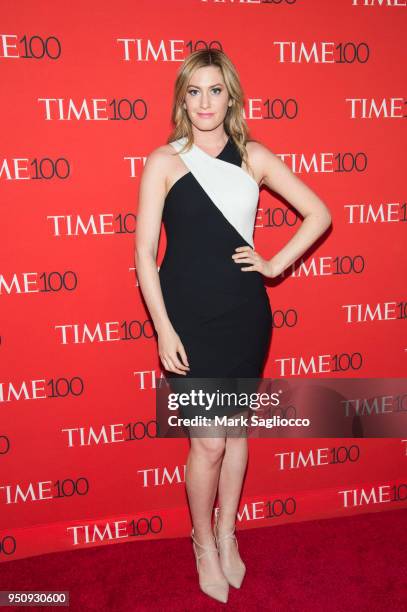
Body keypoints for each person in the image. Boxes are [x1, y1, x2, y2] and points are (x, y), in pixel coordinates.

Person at [135, 49, 332, 603]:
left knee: (237, 434)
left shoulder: (255, 157)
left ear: (231, 96)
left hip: (244, 315)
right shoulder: (164, 161)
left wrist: (274, 264)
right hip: (187, 320)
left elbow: (319, 213)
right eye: (193, 91)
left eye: (214, 90)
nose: (204, 101)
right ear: (182, 99)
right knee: (209, 444)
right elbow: (146, 255)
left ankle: (227, 534)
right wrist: (163, 330)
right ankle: (201, 541)